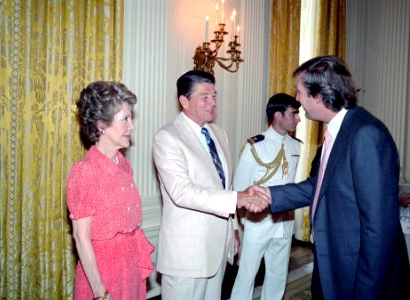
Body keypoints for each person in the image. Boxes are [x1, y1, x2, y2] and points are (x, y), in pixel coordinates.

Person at [261, 55, 410, 299]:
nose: (297, 99)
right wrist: (268, 195)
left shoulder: (366, 135)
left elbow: (379, 230)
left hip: (358, 275)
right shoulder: (339, 131)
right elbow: (317, 186)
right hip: (334, 264)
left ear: (319, 96)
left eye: (299, 92)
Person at [152, 70, 269, 300]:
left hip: (218, 249)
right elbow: (181, 192)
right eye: (205, 96)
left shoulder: (218, 133)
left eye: (214, 95)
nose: (213, 102)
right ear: (184, 101)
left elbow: (223, 185)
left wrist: (233, 230)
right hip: (187, 255)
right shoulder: (167, 137)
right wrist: (238, 198)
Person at [67, 81, 154, 300]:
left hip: (131, 268)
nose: (132, 126)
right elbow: (81, 237)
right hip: (103, 275)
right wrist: (100, 293)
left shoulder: (124, 164)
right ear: (101, 125)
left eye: (131, 118)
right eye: (125, 119)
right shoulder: (85, 172)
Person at [230, 93, 301, 300]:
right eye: (294, 113)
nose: (298, 118)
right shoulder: (256, 145)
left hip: (285, 221)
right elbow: (240, 188)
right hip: (259, 221)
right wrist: (244, 221)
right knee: (247, 275)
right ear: (278, 115)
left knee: (278, 276)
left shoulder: (296, 145)